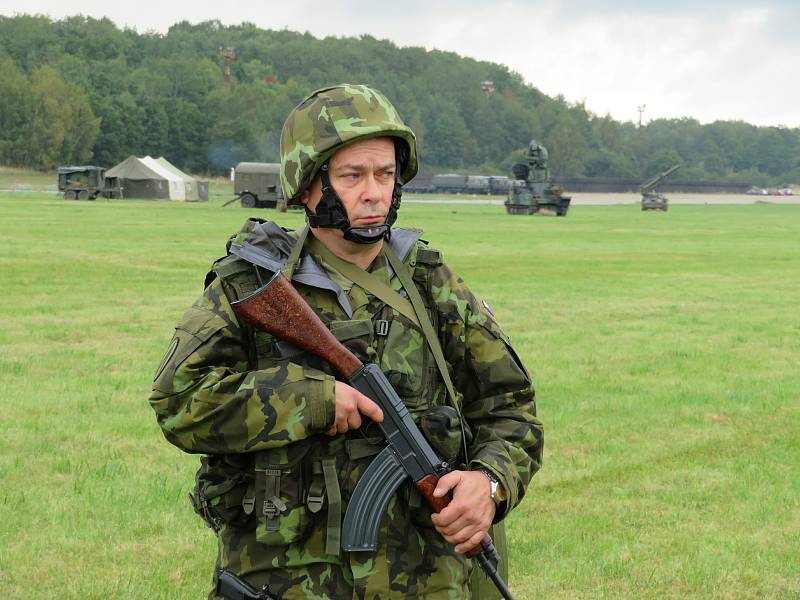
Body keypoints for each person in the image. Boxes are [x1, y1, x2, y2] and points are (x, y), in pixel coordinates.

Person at [149, 83, 543, 600]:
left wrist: (489, 483)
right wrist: (311, 400)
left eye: (385, 174)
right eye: (353, 176)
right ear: (308, 185)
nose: (375, 192)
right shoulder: (255, 285)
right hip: (287, 585)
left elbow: (511, 407)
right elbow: (178, 401)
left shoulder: (432, 286)